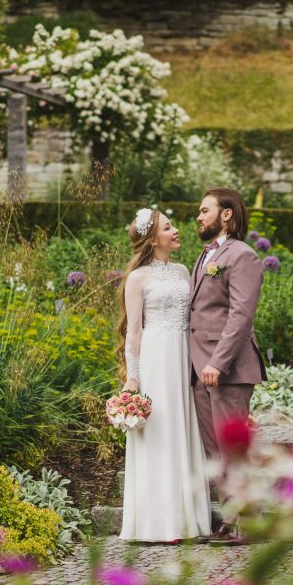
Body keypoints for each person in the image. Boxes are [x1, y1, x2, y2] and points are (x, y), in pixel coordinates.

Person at [118, 208, 212, 542]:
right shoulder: (137, 278)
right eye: (168, 227)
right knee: (159, 433)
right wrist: (133, 376)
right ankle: (159, 523)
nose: (176, 231)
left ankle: (189, 520)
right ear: (152, 239)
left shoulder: (185, 271)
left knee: (183, 428)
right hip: (156, 357)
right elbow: (134, 332)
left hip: (184, 355)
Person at [189, 187, 266, 544]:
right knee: (214, 451)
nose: (199, 217)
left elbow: (240, 316)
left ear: (226, 214)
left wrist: (218, 363)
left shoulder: (244, 256)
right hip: (199, 369)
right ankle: (231, 517)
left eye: (205, 210)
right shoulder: (206, 255)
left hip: (228, 371)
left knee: (232, 449)